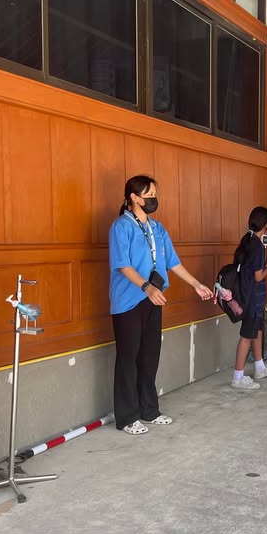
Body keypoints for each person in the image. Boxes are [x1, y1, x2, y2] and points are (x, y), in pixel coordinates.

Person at [109, 175, 214, 435]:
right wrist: (147, 287)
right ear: (134, 198)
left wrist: (196, 284)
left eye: (155, 194)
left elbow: (172, 262)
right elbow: (123, 265)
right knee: (128, 358)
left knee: (149, 355)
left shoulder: (157, 228)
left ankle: (148, 410)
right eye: (149, 195)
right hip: (128, 301)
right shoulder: (121, 227)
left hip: (154, 299)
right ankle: (127, 417)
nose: (154, 199)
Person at [230, 207, 267, 390]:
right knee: (247, 335)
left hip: (252, 297)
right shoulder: (257, 246)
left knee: (257, 331)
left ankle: (260, 367)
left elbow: (256, 269)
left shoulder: (250, 240)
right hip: (252, 299)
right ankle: (237, 377)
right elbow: (259, 276)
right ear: (266, 225)